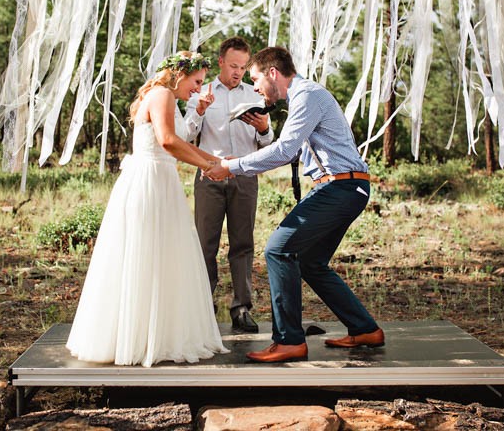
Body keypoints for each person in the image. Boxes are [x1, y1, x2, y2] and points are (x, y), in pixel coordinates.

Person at [205, 46, 384, 362]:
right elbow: (287, 149)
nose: (257, 88)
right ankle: (364, 328)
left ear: (273, 73)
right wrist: (240, 160)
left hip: (341, 187)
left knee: (277, 249)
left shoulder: (307, 96)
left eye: (257, 79)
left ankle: (289, 340)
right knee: (311, 263)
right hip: (343, 187)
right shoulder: (304, 98)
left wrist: (231, 167)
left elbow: (283, 151)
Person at [67, 51, 229, 367]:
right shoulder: (162, 94)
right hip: (151, 182)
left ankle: (154, 333)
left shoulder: (168, 98)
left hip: (161, 181)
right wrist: (207, 167)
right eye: (196, 82)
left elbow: (181, 143)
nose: (198, 89)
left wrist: (215, 161)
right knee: (147, 255)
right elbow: (168, 141)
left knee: (161, 258)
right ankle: (139, 338)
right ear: (180, 74)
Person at [185, 37, 274, 333]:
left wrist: (264, 129)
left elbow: (266, 143)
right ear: (221, 61)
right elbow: (186, 136)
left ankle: (242, 308)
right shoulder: (201, 91)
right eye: (233, 65)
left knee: (243, 244)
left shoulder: (255, 94)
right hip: (210, 177)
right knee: (204, 245)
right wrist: (198, 111)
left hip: (245, 177)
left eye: (243, 66)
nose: (238, 71)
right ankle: (201, 307)